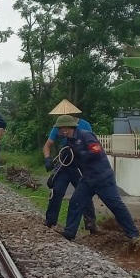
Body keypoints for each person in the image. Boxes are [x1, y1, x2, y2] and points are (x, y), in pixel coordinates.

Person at [54, 115, 140, 241]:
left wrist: (82, 153)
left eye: (60, 128)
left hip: (102, 177)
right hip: (87, 179)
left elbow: (97, 150)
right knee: (75, 202)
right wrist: (56, 163)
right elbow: (69, 160)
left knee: (115, 205)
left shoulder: (85, 135)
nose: (59, 131)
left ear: (67, 128)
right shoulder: (69, 142)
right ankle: (69, 232)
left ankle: (134, 234)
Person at [41, 99, 96, 233]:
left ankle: (90, 223)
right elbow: (47, 145)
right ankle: (50, 220)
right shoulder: (57, 127)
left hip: (80, 164)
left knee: (84, 193)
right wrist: (47, 158)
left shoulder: (85, 125)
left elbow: (92, 145)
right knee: (57, 191)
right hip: (64, 162)